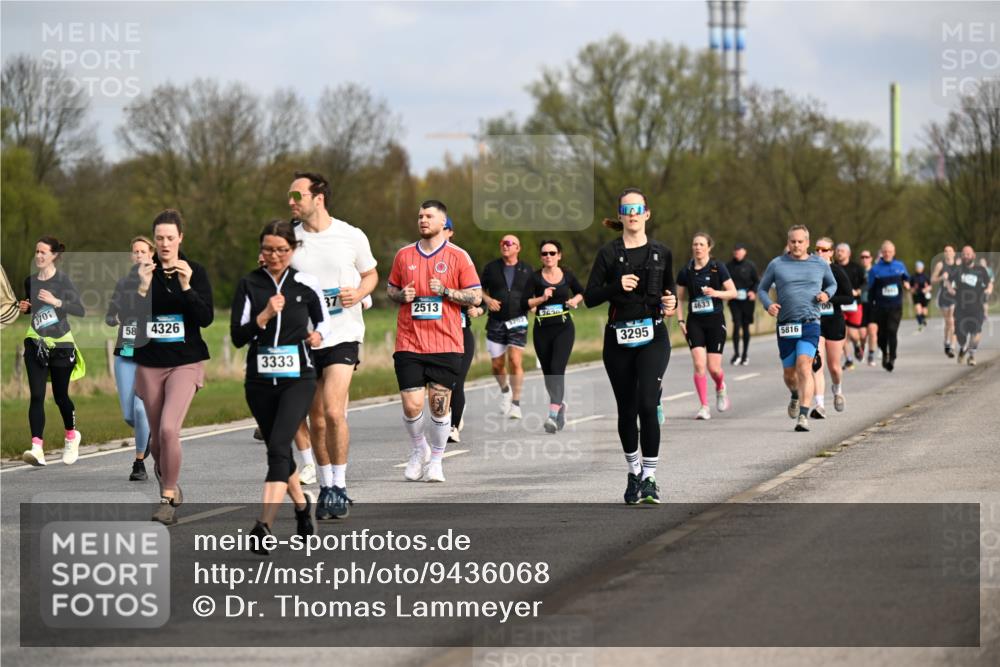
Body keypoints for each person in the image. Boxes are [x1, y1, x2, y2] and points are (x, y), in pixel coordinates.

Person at [231, 219, 334, 554]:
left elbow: (324, 322)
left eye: (281, 250)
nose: (274, 256)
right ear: (260, 250)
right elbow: (237, 336)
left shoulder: (305, 284)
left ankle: (263, 526)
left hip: (298, 379)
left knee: (278, 449)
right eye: (268, 249)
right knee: (277, 451)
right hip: (259, 382)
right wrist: (262, 316)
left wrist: (319, 336)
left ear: (293, 250)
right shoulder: (249, 284)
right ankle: (303, 507)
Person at [286, 172, 378, 520]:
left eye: (298, 195)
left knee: (334, 411)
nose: (292, 202)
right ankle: (326, 486)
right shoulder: (289, 239)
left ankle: (340, 485)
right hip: (305, 339)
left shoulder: (350, 235)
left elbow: (370, 274)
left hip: (343, 333)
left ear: (318, 198)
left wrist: (360, 292)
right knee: (318, 420)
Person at [584, 188, 676, 504]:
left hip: (654, 335)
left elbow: (671, 293)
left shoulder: (662, 252)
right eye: (627, 209)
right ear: (620, 216)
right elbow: (590, 297)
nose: (633, 213)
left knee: (648, 404)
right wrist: (616, 286)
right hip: (618, 338)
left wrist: (672, 301)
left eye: (638, 208)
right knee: (627, 409)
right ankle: (634, 471)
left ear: (647, 214)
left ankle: (650, 478)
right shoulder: (608, 254)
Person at [387, 200, 481, 483]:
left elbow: (476, 296)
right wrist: (400, 295)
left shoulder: (459, 256)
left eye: (429, 216)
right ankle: (419, 450)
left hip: (446, 343)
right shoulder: (403, 255)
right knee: (412, 405)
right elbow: (390, 288)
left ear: (443, 222)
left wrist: (449, 292)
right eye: (420, 216)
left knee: (439, 407)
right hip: (409, 342)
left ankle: (437, 460)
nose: (423, 220)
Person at [133, 209, 214, 525]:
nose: (165, 243)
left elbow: (205, 318)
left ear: (180, 238)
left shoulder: (195, 271)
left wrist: (186, 286)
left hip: (185, 362)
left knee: (169, 429)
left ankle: (167, 497)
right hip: (151, 364)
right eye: (159, 238)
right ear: (153, 241)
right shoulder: (141, 274)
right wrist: (141, 289)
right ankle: (167, 473)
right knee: (156, 442)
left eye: (170, 237)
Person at [756, 225, 836, 433]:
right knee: (790, 375)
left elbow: (832, 285)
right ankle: (794, 394)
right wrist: (768, 304)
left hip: (810, 322)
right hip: (786, 325)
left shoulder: (819, 263)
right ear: (788, 242)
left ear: (807, 243)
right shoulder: (777, 264)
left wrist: (826, 295)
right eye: (793, 241)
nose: (796, 245)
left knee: (804, 366)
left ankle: (803, 415)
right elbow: (762, 289)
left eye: (800, 241)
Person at [18, 236, 85, 466]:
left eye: (43, 252)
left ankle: (71, 436)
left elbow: (80, 309)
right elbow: (34, 308)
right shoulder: (30, 281)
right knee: (36, 395)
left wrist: (57, 302)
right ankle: (37, 448)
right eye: (36, 251)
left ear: (54, 255)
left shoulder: (64, 282)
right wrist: (25, 307)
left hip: (61, 343)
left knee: (60, 396)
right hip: (35, 340)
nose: (38, 256)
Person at [106, 236, 155, 481]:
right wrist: (113, 317)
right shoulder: (124, 282)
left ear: (151, 254)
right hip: (125, 351)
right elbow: (110, 312)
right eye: (135, 251)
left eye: (143, 251)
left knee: (140, 408)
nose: (138, 255)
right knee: (129, 415)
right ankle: (146, 437)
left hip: (149, 354)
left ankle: (138, 464)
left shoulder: (160, 282)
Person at [676, 232, 737, 420]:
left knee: (714, 368)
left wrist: (716, 293)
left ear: (709, 247)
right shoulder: (686, 271)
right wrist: (680, 321)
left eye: (701, 244)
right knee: (699, 364)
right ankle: (704, 406)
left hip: (715, 321)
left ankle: (720, 387)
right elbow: (678, 298)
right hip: (695, 321)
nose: (698, 248)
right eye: (695, 244)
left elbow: (733, 292)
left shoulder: (718, 268)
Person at [525, 239, 584, 433]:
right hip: (542, 330)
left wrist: (574, 301)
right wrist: (541, 298)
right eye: (544, 254)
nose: (548, 256)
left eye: (552, 253)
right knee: (548, 373)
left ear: (559, 255)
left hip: (564, 328)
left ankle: (551, 415)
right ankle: (559, 406)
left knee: (558, 368)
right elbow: (524, 303)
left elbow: (581, 292)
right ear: (541, 257)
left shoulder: (567, 275)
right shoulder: (534, 278)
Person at [480, 236, 534, 419]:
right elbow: (478, 289)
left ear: (518, 248)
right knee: (497, 366)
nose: (505, 245)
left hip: (518, 320)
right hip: (496, 321)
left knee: (515, 360)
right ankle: (505, 391)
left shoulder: (527, 269)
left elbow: (535, 292)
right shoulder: (491, 268)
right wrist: (487, 300)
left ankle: (516, 404)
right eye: (502, 242)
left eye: (509, 243)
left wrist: (534, 305)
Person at [444, 217, 484, 444]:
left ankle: (452, 426)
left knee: (456, 382)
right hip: (437, 335)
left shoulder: (461, 258)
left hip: (462, 333)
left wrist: (477, 310)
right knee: (439, 385)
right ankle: (444, 418)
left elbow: (481, 300)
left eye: (447, 228)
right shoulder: (426, 263)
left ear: (451, 231)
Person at [812, 237, 853, 417]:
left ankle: (837, 389)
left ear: (831, 252)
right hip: (816, 323)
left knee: (835, 367)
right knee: (817, 364)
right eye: (817, 249)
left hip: (834, 322)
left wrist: (829, 298)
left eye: (824, 249)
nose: (820, 252)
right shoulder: (810, 270)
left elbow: (849, 298)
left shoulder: (837, 271)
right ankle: (819, 404)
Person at [867, 240, 910, 372]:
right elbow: (870, 289)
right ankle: (884, 353)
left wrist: (906, 283)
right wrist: (871, 306)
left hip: (895, 306)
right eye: (885, 251)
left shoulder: (900, 266)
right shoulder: (875, 270)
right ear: (881, 253)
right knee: (881, 335)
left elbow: (906, 278)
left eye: (889, 251)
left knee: (892, 330)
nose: (887, 254)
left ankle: (892, 357)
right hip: (880, 306)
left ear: (894, 252)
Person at [950, 245, 991, 366]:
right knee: (961, 335)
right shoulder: (957, 270)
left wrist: (988, 289)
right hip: (961, 307)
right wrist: (951, 289)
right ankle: (963, 348)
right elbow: (949, 283)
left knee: (976, 332)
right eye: (963, 254)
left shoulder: (981, 270)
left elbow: (989, 283)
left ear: (973, 255)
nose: (966, 256)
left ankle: (972, 355)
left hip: (977, 307)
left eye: (968, 254)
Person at [725, 243, 759, 366]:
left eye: (739, 251)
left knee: (745, 326)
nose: (737, 253)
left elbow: (757, 282)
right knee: (736, 324)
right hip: (734, 300)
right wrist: (726, 293)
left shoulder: (750, 265)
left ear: (744, 252)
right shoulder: (728, 266)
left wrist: (753, 292)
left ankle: (745, 354)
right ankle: (736, 354)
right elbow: (722, 281)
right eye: (735, 251)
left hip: (747, 301)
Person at [834, 243, 865, 371]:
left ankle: (857, 344)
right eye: (838, 250)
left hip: (854, 304)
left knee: (853, 334)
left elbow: (866, 284)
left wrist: (858, 291)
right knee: (843, 333)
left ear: (848, 253)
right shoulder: (833, 267)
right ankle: (849, 359)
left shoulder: (856, 268)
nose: (839, 253)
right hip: (839, 304)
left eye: (842, 251)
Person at [931, 245, 959, 358]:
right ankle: (946, 342)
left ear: (954, 253)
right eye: (946, 251)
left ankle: (952, 347)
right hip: (943, 296)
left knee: (952, 321)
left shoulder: (958, 265)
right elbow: (932, 279)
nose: (948, 253)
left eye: (950, 251)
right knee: (948, 322)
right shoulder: (940, 265)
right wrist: (942, 277)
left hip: (955, 296)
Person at [859, 249, 878, 366]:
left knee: (872, 330)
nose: (865, 259)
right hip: (860, 304)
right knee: (861, 334)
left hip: (873, 304)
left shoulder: (876, 272)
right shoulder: (858, 272)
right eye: (862, 257)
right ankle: (861, 347)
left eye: (867, 257)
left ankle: (871, 354)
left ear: (871, 258)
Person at [910, 260, 932, 331]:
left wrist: (926, 289)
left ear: (922, 268)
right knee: (918, 309)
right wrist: (912, 289)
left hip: (924, 295)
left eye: (920, 267)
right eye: (917, 267)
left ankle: (923, 319)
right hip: (916, 295)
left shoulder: (926, 276)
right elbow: (910, 287)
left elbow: (930, 286)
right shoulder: (913, 277)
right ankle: (920, 324)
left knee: (924, 310)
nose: (918, 269)